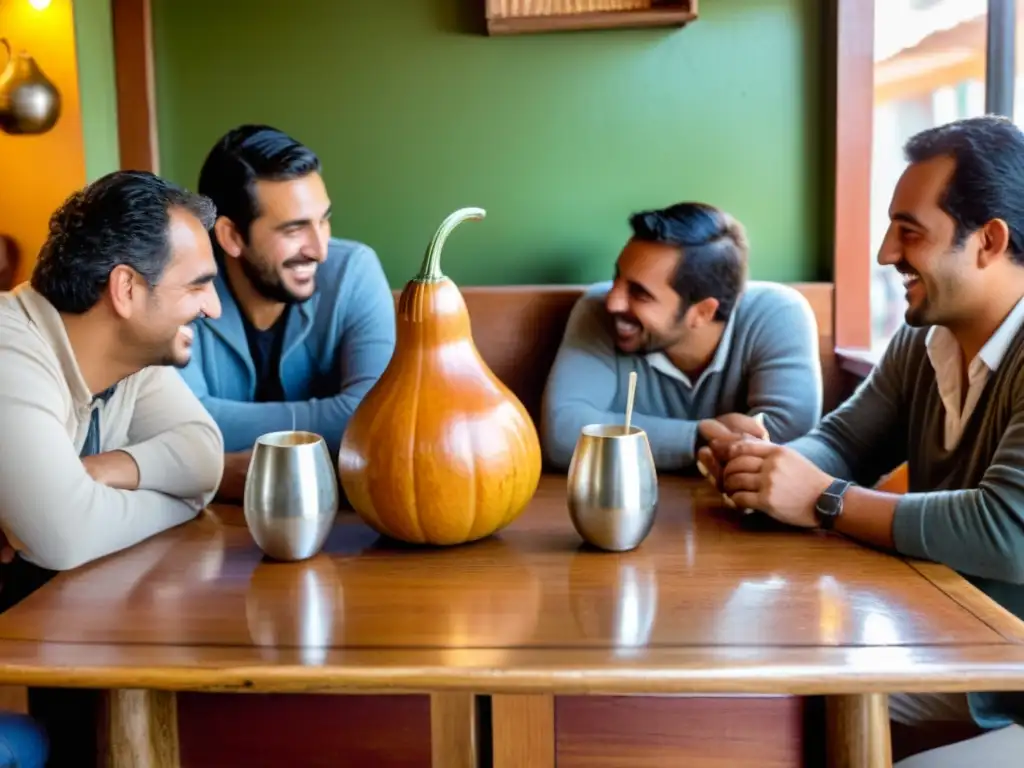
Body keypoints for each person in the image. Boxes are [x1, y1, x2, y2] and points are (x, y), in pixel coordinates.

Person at [704, 115, 1024, 763]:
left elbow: (1008, 530)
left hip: (1006, 684)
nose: (885, 252)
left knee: (769, 709)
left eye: (909, 231)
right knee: (754, 690)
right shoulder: (920, 339)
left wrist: (823, 499)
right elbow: (843, 443)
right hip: (946, 642)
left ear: (989, 241)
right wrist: (765, 469)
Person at [0, 170, 227, 766]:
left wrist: (104, 471)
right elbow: (64, 535)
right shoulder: (9, 347)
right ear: (126, 289)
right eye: (198, 285)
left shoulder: (134, 359)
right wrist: (176, 498)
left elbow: (203, 456)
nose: (213, 307)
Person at [177, 124, 396, 500]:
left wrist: (225, 438)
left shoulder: (354, 271)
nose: (319, 250)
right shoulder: (180, 286)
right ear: (231, 236)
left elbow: (376, 417)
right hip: (205, 523)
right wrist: (331, 421)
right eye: (294, 229)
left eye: (323, 220)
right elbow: (179, 423)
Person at [541, 201, 822, 471]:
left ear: (702, 312)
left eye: (639, 293)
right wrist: (697, 437)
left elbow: (787, 440)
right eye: (617, 278)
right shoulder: (596, 311)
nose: (613, 301)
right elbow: (561, 432)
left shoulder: (777, 314)